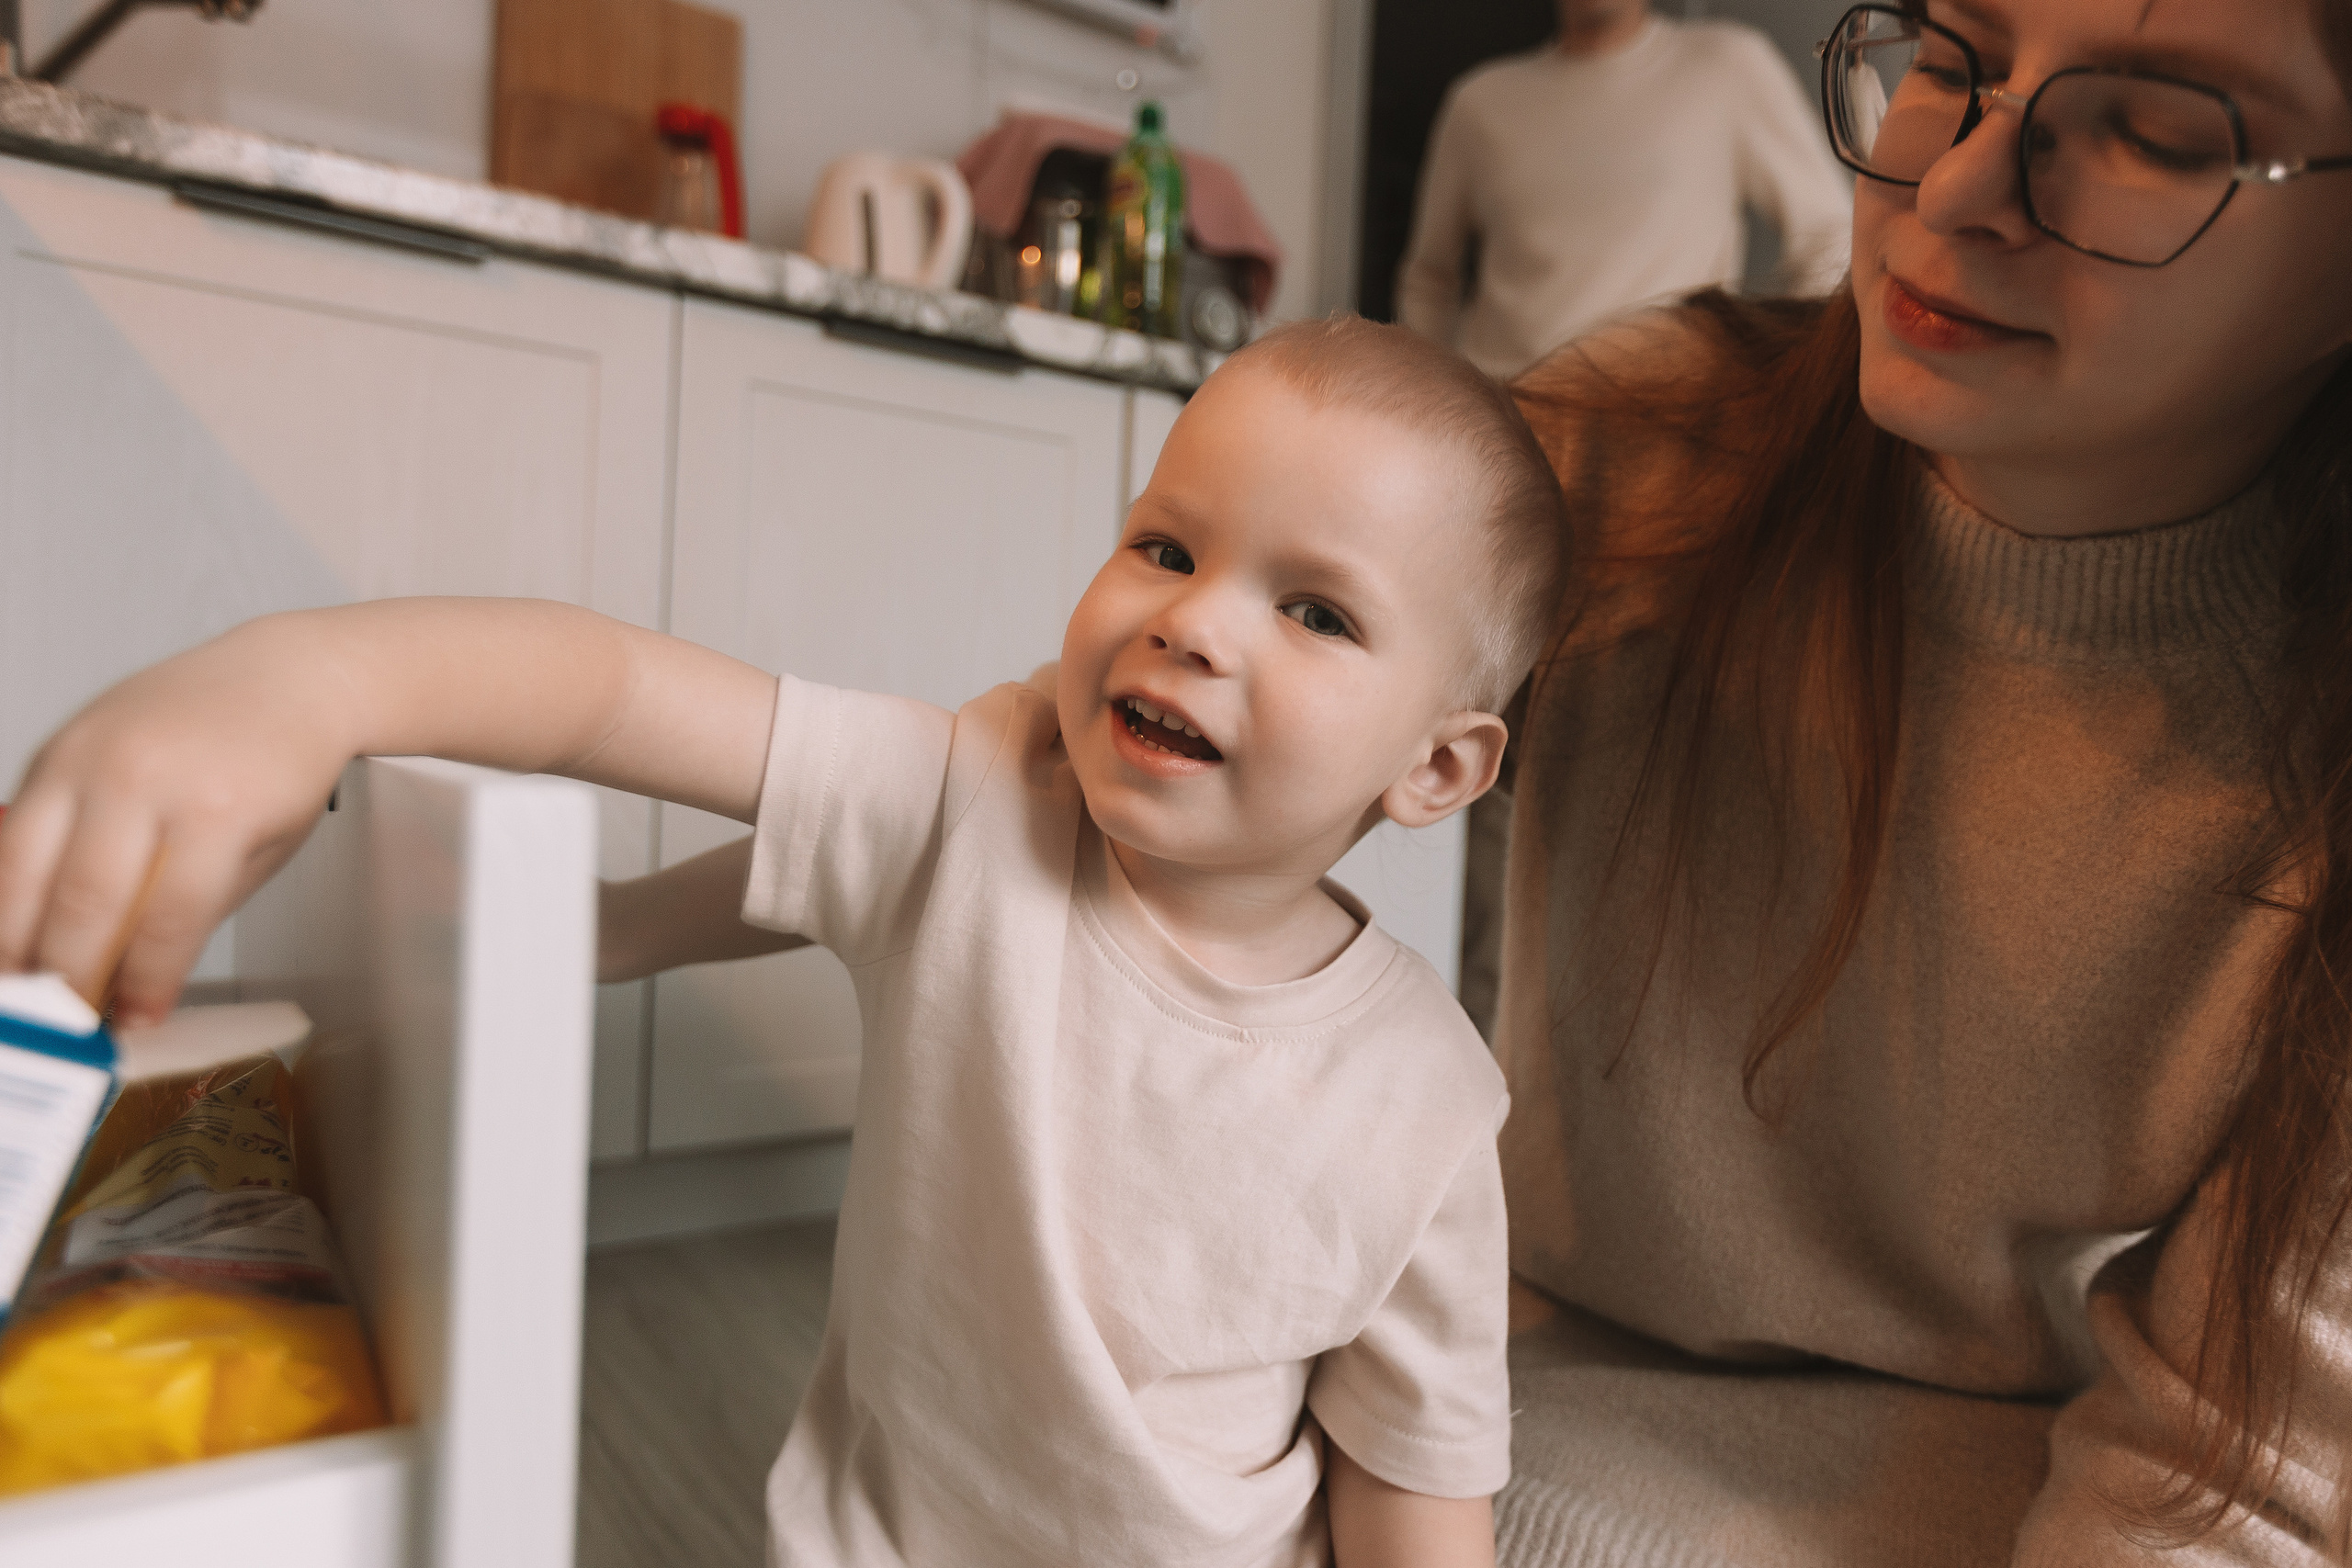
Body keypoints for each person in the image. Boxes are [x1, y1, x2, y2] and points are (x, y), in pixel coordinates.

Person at [0, 318, 1567, 1567]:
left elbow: (1413, 1495)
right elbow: (613, 692)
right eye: (1167, 545)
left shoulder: (1426, 1105)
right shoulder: (983, 788)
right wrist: (304, 681)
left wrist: (608, 937)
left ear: (1437, 766)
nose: (1197, 619)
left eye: (1317, 612)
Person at [1475, 0, 2352, 1561]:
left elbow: (2226, 1487)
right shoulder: (1624, 455)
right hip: (1454, 1432)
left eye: (2152, 127)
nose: (1952, 188)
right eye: (1947, 62)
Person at [1394, 0, 1853, 382]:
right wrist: (1443, 406)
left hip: (1665, 421)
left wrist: (1782, 376)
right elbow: (1429, 278)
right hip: (1512, 420)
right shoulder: (1480, 101)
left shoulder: (1728, 66)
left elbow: (1830, 233)